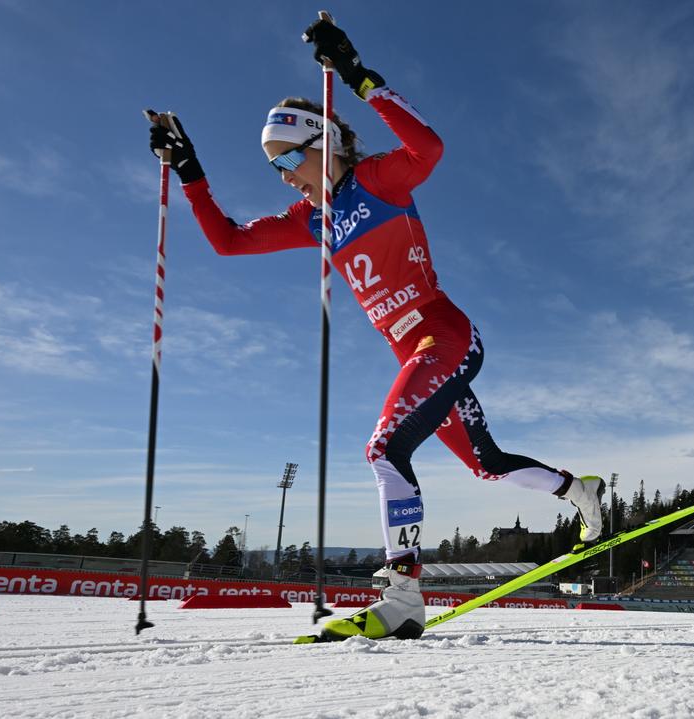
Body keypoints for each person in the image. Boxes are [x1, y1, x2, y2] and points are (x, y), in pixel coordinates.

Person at [148, 18, 604, 641]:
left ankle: (402, 597)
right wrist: (191, 171)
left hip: (442, 337)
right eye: (272, 165)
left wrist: (360, 76)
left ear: (323, 142)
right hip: (417, 354)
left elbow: (429, 150)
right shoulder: (313, 220)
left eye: (286, 157)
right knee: (487, 463)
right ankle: (579, 489)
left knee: (385, 450)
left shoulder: (376, 180)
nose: (282, 175)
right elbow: (228, 241)